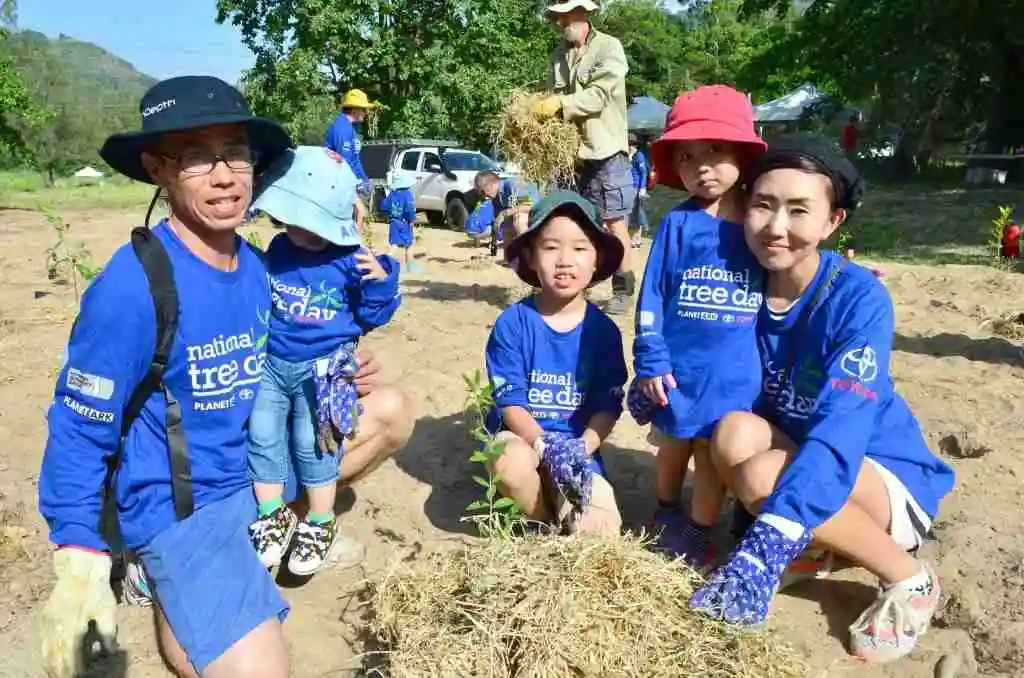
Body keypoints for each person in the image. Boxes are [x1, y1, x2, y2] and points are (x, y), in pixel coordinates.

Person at [36, 76, 414, 678]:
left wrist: (340, 367)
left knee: (388, 409)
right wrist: (78, 556)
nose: (224, 175)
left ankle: (277, 529)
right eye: (196, 157)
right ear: (158, 169)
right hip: (184, 502)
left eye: (236, 152)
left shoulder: (260, 270)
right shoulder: (135, 288)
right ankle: (156, 571)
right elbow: (81, 427)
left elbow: (303, 344)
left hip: (251, 468)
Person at [690, 134, 955, 665]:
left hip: (878, 470)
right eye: (763, 205)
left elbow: (843, 427)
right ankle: (811, 550)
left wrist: (777, 522)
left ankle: (910, 579)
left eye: (799, 210)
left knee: (765, 477)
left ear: (832, 221)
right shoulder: (738, 287)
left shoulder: (857, 298)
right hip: (804, 452)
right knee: (732, 431)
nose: (776, 227)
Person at [245, 145, 402, 576]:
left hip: (324, 371)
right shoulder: (278, 250)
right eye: (300, 224)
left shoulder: (353, 260)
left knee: (314, 442)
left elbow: (374, 315)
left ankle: (318, 520)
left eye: (319, 227)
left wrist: (381, 283)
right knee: (263, 434)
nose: (309, 236)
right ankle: (273, 514)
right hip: (272, 366)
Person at [629, 85, 766, 568]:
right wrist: (650, 356)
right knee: (672, 447)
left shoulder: (759, 222)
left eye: (715, 150)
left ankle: (698, 530)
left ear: (745, 154)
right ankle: (665, 512)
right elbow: (654, 294)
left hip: (733, 375)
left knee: (710, 458)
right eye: (687, 156)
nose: (701, 165)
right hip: (677, 370)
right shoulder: (678, 224)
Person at [485, 190, 628, 535]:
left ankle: (571, 512)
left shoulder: (604, 331)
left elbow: (607, 406)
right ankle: (542, 522)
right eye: (550, 247)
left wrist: (582, 448)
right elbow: (511, 403)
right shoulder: (512, 324)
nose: (565, 260)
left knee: (602, 531)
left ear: (596, 260)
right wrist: (544, 446)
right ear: (531, 258)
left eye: (580, 248)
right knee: (509, 463)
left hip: (577, 449)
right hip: (525, 440)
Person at [532, 0, 636, 315]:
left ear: (583, 13)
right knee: (573, 221)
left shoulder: (609, 48)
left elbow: (599, 95)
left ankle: (623, 289)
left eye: (566, 15)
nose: (561, 22)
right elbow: (552, 96)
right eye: (557, 16)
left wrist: (559, 104)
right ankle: (577, 285)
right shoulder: (558, 54)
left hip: (605, 148)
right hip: (570, 154)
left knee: (614, 222)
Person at [469, 170, 541, 258]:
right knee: (506, 226)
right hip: (519, 216)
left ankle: (530, 256)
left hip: (537, 214)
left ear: (492, 184)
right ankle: (508, 259)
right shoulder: (495, 197)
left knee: (519, 219)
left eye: (483, 192)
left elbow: (530, 206)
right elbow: (499, 219)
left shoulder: (514, 185)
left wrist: (505, 213)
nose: (484, 196)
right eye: (480, 193)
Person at [324, 88, 377, 203]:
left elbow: (355, 159)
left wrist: (364, 179)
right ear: (354, 110)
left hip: (346, 181)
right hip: (336, 184)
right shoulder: (342, 127)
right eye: (363, 109)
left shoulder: (353, 128)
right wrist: (356, 182)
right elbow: (344, 161)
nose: (366, 112)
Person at [379, 172, 421, 272]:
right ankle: (411, 268)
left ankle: (386, 264)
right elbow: (409, 209)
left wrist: (390, 213)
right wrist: (412, 219)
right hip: (404, 222)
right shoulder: (407, 194)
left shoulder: (392, 194)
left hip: (393, 221)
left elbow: (383, 205)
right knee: (409, 245)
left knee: (394, 245)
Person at [628, 133, 649, 246]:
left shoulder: (639, 156)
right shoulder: (627, 156)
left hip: (636, 187)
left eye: (632, 144)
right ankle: (631, 237)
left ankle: (637, 239)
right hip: (628, 187)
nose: (631, 147)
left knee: (637, 212)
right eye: (629, 144)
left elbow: (643, 172)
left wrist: (642, 188)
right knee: (630, 213)